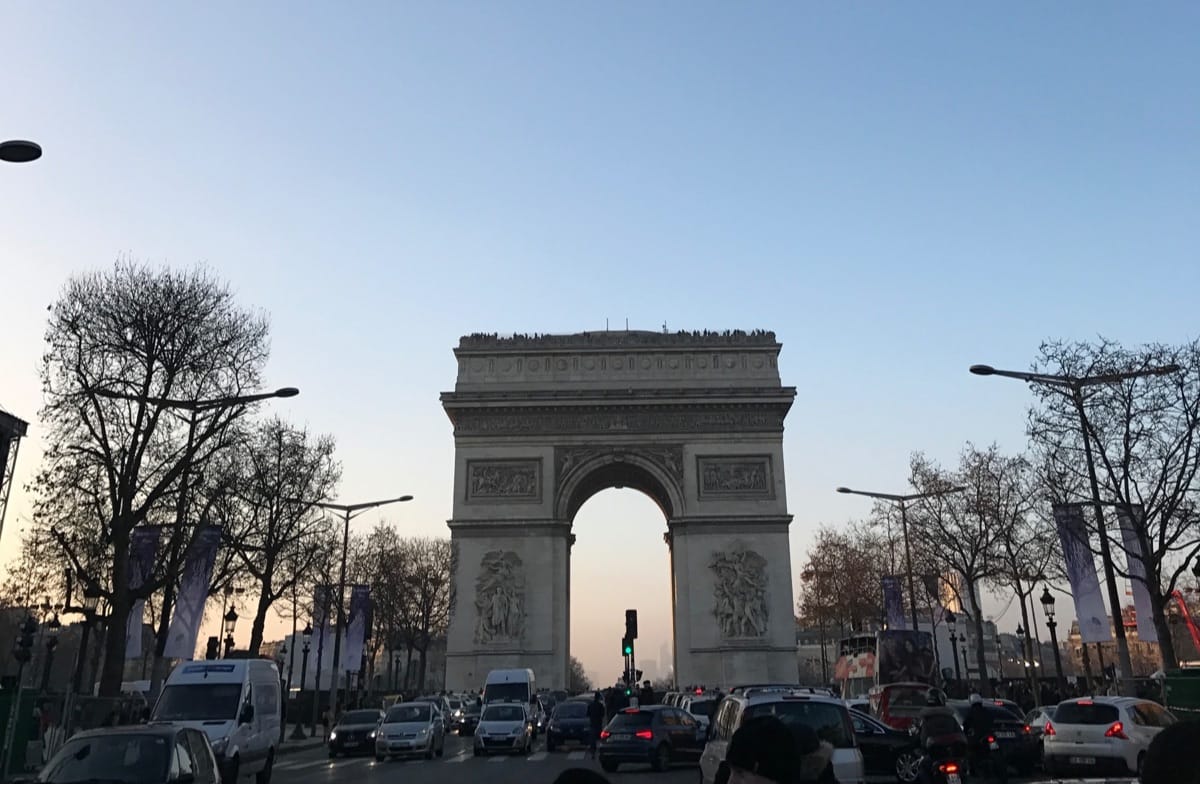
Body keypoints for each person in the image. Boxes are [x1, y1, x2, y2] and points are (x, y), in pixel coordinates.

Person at [586, 691, 605, 758]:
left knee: (592, 740)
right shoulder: (600, 705)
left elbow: (587, 714)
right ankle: (601, 753)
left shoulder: (590, 705)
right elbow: (603, 714)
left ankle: (593, 753)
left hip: (592, 723)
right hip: (598, 723)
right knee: (600, 739)